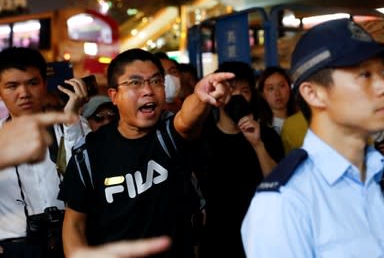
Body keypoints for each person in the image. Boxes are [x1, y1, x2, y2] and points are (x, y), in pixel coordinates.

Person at [241, 19, 384, 257]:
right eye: (364, 75)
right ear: (313, 93)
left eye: (383, 72)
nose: (383, 86)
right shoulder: (286, 202)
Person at [59, 48, 234, 258]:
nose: (148, 90)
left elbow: (186, 118)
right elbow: (74, 225)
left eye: (156, 81)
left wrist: (201, 97)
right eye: (135, 83)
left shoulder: (167, 134)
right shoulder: (89, 154)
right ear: (114, 95)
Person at [0, 46, 90, 258]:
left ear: (44, 84)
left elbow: (84, 177)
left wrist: (72, 119)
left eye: (32, 83)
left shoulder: (73, 125)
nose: (24, 93)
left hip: (71, 239)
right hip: (15, 248)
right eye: (12, 86)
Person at [196, 61, 284, 258]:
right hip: (217, 240)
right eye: (230, 89)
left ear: (252, 95)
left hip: (261, 237)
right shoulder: (202, 138)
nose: (236, 96)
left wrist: (258, 144)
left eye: (244, 90)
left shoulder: (267, 136)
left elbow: (279, 185)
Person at [257, 66, 297, 135]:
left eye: (282, 86)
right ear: (262, 95)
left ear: (289, 87)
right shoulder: (259, 127)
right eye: (271, 88)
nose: (277, 93)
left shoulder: (303, 119)